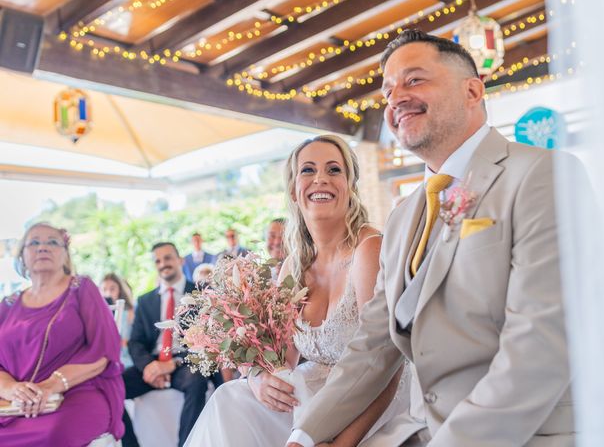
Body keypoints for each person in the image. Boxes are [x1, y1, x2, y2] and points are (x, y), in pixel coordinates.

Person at [287, 30, 575, 447]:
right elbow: (372, 346)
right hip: (419, 430)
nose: (396, 98)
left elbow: (541, 343)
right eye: (388, 91)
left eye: (414, 79)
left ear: (473, 90)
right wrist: (305, 435)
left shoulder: (541, 175)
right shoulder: (403, 216)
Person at [184, 135, 414, 446]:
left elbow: (387, 362)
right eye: (308, 170)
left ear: (351, 186)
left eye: (334, 170)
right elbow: (283, 359)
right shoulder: (294, 265)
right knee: (230, 399)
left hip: (370, 402)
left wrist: (340, 444)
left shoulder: (369, 249)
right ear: (294, 191)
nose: (321, 178)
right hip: (312, 395)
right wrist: (257, 379)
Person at [0, 222, 124, 446]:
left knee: (53, 434)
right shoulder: (8, 304)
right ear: (22, 256)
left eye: (53, 242)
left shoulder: (82, 288)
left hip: (76, 393)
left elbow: (104, 351)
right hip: (14, 401)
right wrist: (11, 389)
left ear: (65, 255)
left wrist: (49, 387)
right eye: (34, 242)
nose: (43, 247)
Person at [122, 242, 209, 447]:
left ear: (180, 260)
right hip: (151, 363)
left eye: (167, 258)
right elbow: (135, 342)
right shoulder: (144, 301)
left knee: (197, 382)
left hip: (185, 362)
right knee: (112, 386)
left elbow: (209, 340)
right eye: (158, 260)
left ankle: (186, 444)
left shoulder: (200, 294)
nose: (163, 264)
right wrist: (149, 366)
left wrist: (174, 363)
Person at [101, 272, 136, 367]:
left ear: (120, 290)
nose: (108, 293)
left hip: (126, 358)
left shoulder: (129, 311)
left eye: (112, 289)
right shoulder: (100, 314)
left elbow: (128, 341)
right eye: (104, 289)